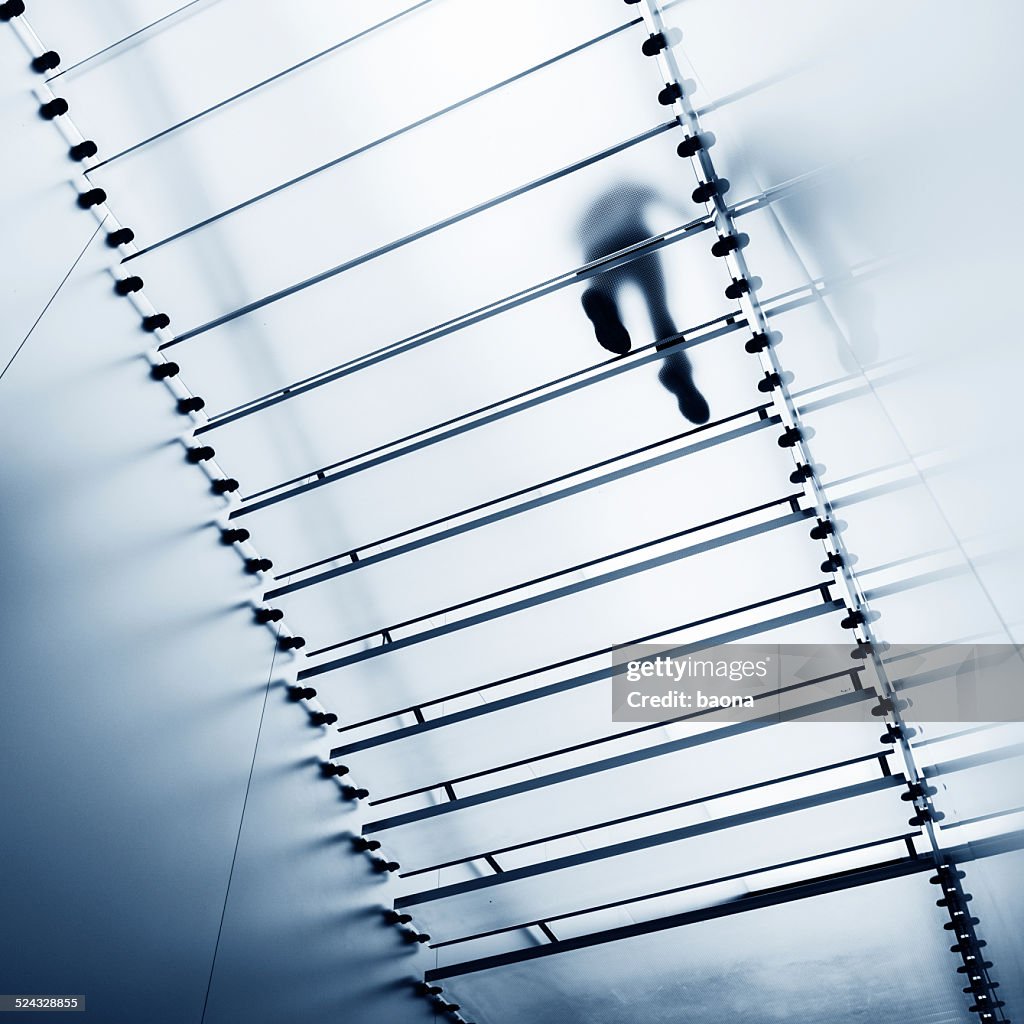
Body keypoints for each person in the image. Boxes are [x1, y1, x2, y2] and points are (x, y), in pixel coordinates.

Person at [578, 181, 710, 424]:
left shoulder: (586, 213)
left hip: (597, 250)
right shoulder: (628, 187)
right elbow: (663, 198)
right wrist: (698, 219)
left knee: (606, 289)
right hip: (635, 237)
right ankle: (677, 369)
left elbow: (579, 242)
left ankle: (603, 300)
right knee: (659, 312)